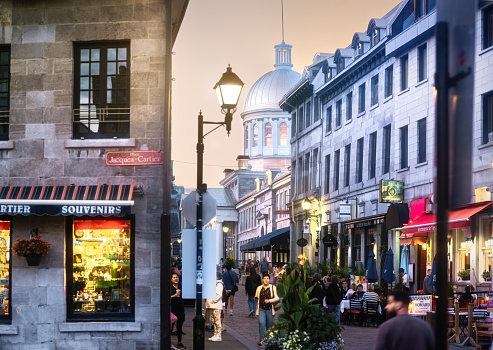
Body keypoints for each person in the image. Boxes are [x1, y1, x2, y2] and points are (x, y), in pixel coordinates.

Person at [255, 272, 279, 346]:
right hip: (261, 308)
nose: (266, 280)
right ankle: (262, 340)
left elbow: (277, 298)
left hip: (269, 309)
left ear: (269, 279)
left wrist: (269, 301)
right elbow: (256, 297)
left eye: (267, 278)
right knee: (262, 323)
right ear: (262, 279)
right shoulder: (259, 288)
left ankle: (269, 339)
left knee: (269, 325)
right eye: (264, 278)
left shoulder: (273, 288)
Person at [206, 271, 224, 342]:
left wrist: (212, 300)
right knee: (213, 320)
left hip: (216, 305)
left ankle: (218, 334)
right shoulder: (213, 284)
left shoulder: (219, 284)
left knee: (217, 320)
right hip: (212, 305)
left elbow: (218, 295)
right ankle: (215, 334)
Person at [170, 272, 186, 349]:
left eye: (177, 277)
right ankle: (169, 342)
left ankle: (179, 342)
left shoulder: (181, 286)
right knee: (171, 326)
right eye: (174, 277)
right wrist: (174, 295)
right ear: (171, 279)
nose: (176, 279)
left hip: (181, 309)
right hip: (173, 309)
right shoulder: (170, 288)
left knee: (180, 326)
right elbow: (167, 297)